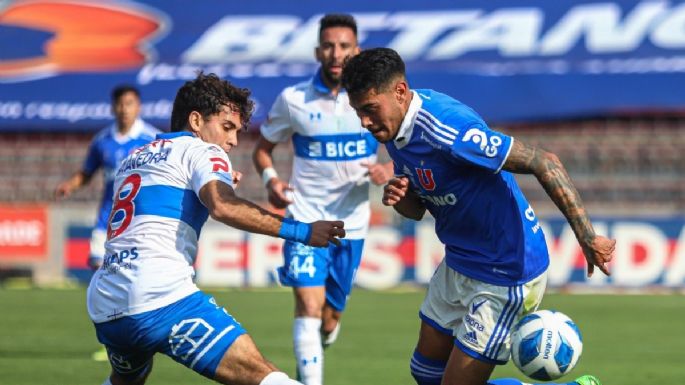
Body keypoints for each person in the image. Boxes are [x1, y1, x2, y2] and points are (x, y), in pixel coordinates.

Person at [341, 48, 614, 385]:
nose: (365, 122)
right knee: (425, 373)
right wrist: (401, 199)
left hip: (505, 270)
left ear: (399, 92)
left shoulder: (448, 130)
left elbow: (545, 162)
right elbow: (417, 209)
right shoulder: (395, 128)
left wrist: (588, 237)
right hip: (459, 261)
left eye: (369, 110)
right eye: (358, 113)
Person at [87, 72, 345, 385]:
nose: (233, 140)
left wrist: (209, 184)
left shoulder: (135, 156)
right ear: (196, 121)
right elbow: (223, 207)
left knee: (124, 381)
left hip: (107, 302)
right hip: (159, 295)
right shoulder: (203, 151)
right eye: (227, 127)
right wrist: (303, 232)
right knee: (265, 377)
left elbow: (165, 200)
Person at [252, 14, 392, 385]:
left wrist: (389, 170)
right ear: (318, 50)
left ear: (356, 50)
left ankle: (321, 341)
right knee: (308, 307)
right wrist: (271, 180)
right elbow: (262, 150)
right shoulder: (294, 99)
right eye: (329, 45)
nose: (336, 53)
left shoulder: (372, 99)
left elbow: (407, 148)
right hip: (304, 218)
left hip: (352, 226)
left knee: (328, 320)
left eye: (344, 46)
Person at [55, 85, 160, 361]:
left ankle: (141, 336)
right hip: (107, 222)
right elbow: (86, 172)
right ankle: (113, 342)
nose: (125, 109)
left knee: (137, 279)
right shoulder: (102, 141)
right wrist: (71, 185)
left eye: (130, 103)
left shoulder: (151, 138)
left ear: (138, 106)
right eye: (120, 104)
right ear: (113, 107)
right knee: (103, 279)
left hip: (139, 224)